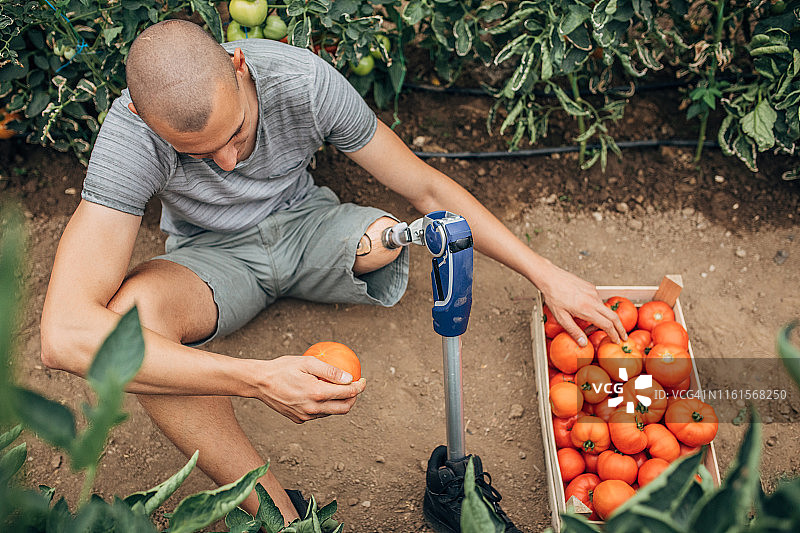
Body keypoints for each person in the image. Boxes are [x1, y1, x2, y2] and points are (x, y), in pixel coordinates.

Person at [39, 19, 625, 531]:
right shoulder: (130, 132)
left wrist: (544, 273)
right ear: (143, 116)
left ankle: (353, 252)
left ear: (240, 67)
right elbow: (64, 335)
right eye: (197, 154)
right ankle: (285, 519)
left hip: (307, 227)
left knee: (387, 241)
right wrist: (256, 378)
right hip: (210, 259)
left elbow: (424, 187)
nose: (226, 163)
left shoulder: (303, 81)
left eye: (236, 134)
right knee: (131, 328)